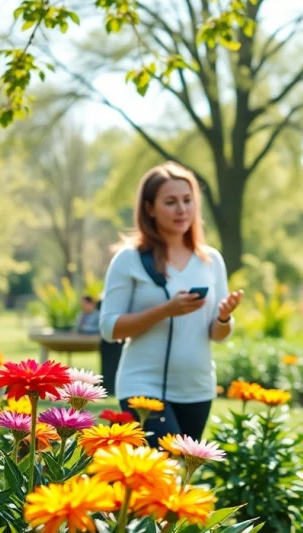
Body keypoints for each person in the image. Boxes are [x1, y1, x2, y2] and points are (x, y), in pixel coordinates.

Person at [100, 161, 243, 444]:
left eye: (187, 200)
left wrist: (225, 318)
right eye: (171, 201)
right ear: (150, 208)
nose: (182, 209)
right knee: (165, 471)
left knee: (180, 480)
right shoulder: (129, 260)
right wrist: (166, 310)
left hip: (197, 389)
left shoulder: (211, 260)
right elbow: (109, 328)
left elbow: (217, 335)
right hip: (142, 387)